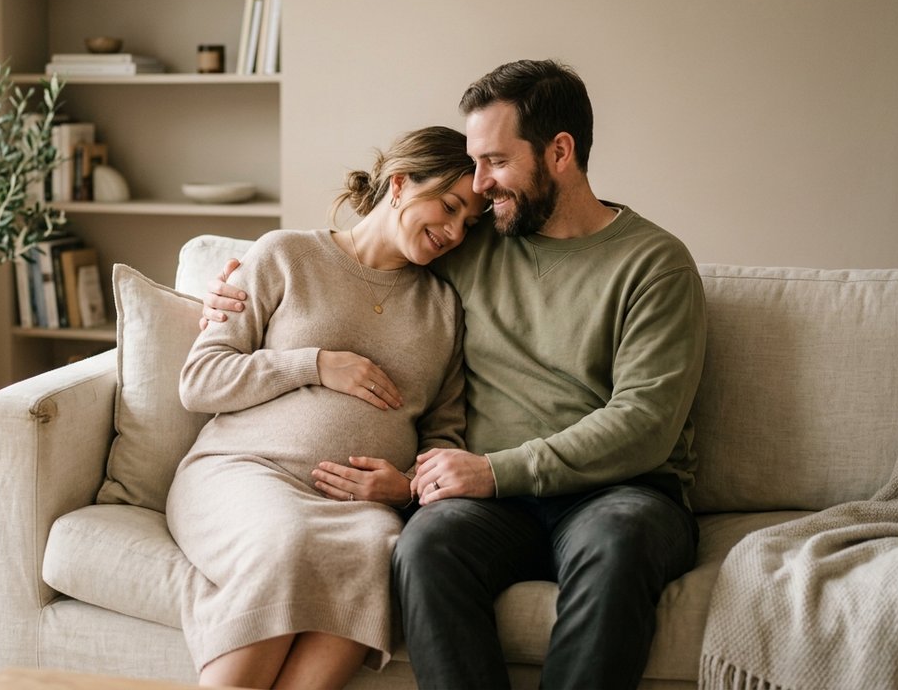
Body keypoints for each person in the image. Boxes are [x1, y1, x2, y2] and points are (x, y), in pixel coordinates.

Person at [202, 60, 707, 690]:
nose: (480, 183)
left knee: (620, 542)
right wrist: (230, 281)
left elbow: (645, 424)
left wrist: (494, 470)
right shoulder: (474, 239)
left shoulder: (654, 264)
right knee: (424, 548)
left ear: (559, 151)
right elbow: (366, 248)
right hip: (497, 502)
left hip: (620, 492)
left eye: (495, 161)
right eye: (473, 164)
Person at [166, 125, 486, 690]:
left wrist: (407, 484)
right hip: (246, 471)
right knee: (286, 542)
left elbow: (446, 433)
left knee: (374, 555)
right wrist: (312, 364)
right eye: (450, 206)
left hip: (359, 507)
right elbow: (200, 381)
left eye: (470, 223)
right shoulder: (285, 254)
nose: (456, 231)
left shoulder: (444, 308)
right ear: (401, 182)